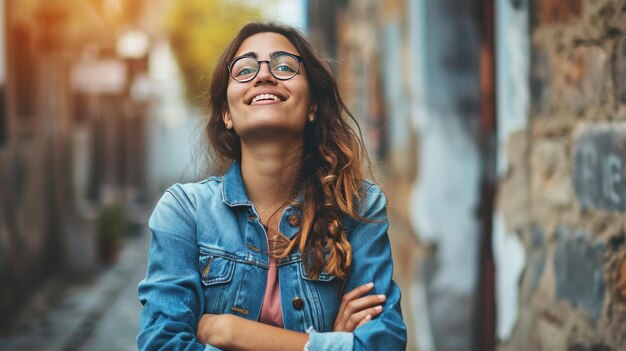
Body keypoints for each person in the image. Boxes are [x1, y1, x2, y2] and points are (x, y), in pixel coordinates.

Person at [137, 22, 407, 350]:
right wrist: (326, 343)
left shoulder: (359, 207)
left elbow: (383, 344)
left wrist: (230, 332)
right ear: (226, 113)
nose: (264, 75)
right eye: (245, 69)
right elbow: (162, 344)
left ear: (312, 106)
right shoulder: (184, 212)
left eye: (283, 66)